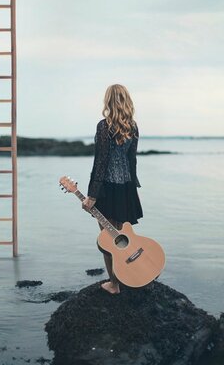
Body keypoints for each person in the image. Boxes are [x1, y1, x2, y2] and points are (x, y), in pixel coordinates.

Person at [82, 84, 143, 294]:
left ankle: (114, 284)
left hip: (108, 189)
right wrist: (133, 187)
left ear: (108, 101)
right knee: (123, 238)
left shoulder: (104, 126)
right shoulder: (133, 126)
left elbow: (101, 163)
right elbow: (131, 160)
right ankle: (131, 276)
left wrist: (92, 195)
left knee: (109, 241)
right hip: (126, 189)